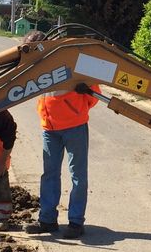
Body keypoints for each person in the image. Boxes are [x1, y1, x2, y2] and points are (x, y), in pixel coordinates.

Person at [21, 30, 102, 239]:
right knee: (49, 174)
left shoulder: (71, 62)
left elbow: (94, 93)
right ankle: (47, 220)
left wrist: (76, 111)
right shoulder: (34, 66)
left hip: (74, 127)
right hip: (49, 128)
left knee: (77, 175)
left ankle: (76, 222)